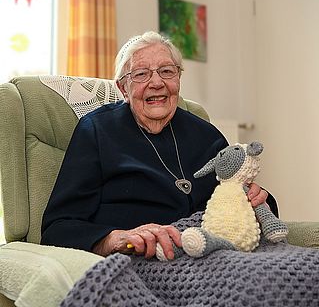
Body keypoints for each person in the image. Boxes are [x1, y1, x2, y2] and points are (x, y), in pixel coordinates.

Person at [41, 31, 276, 260]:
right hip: (146, 259)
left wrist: (258, 199)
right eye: (142, 74)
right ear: (124, 88)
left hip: (214, 252)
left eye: (166, 71)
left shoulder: (206, 134)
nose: (157, 82)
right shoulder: (97, 131)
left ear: (178, 79)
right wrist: (115, 239)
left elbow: (239, 199)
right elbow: (58, 228)